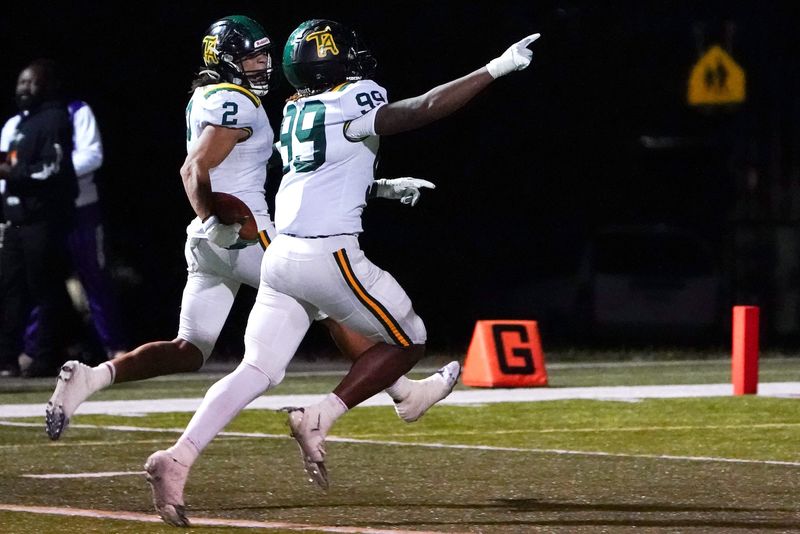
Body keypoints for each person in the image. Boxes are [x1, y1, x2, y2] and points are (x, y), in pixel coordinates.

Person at [144, 18, 538, 525]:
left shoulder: (294, 109)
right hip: (327, 254)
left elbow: (319, 172)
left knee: (257, 369)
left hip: (282, 255)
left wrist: (380, 186)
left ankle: (175, 460)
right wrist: (495, 68)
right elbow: (421, 110)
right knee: (409, 339)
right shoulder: (355, 97)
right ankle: (323, 415)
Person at [45, 15, 455, 443]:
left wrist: (379, 187)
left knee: (189, 349)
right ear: (224, 61)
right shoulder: (237, 101)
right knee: (330, 301)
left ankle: (92, 378)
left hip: (206, 241)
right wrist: (215, 220)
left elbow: (301, 166)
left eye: (263, 55)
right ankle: (404, 391)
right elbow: (194, 168)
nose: (262, 64)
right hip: (240, 231)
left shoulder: (206, 95)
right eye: (251, 57)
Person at [12, 98, 128, 363]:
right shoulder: (19, 122)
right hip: (39, 214)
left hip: (80, 208)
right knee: (38, 282)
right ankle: (30, 351)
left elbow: (92, 155)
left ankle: (114, 347)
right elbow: (9, 164)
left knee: (94, 279)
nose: (28, 89)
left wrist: (52, 173)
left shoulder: (76, 111)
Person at [0, 59, 78, 378]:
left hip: (43, 219)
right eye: (21, 82)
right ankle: (7, 357)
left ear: (46, 85)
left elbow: (53, 168)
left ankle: (47, 357)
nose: (24, 88)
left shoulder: (55, 118)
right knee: (10, 288)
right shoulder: (21, 123)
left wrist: (12, 172)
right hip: (16, 220)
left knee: (45, 289)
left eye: (31, 82)